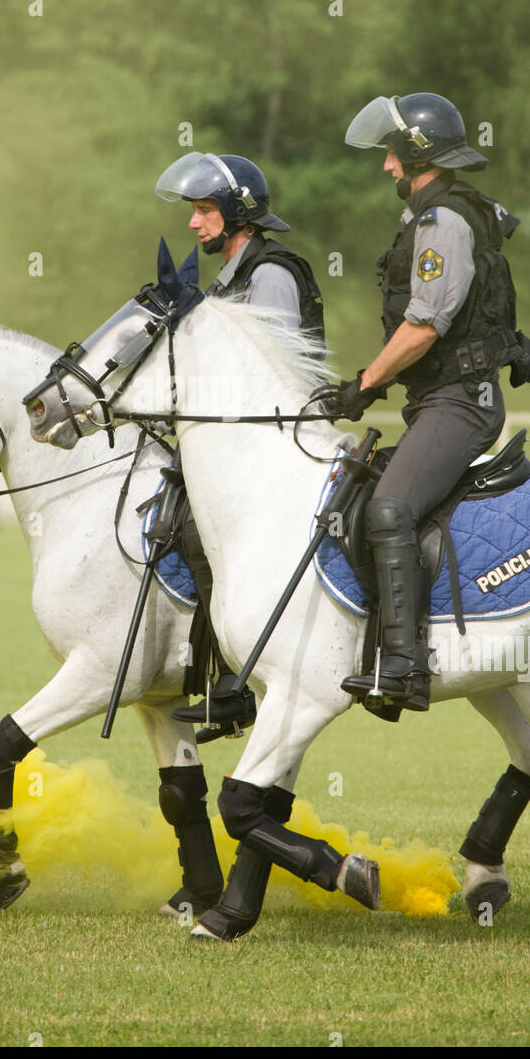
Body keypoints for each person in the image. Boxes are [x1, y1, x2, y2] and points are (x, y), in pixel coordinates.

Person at [329, 93, 530, 715]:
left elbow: (425, 325)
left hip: (460, 403)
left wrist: (366, 383)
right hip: (439, 400)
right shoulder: (431, 217)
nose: (386, 167)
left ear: (416, 153)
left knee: (391, 509)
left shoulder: (443, 222)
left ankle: (403, 667)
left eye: (392, 155)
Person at [154, 151, 326, 736]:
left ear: (237, 215)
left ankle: (236, 682)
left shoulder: (270, 273)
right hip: (242, 442)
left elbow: (269, 376)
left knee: (200, 532)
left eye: (204, 211)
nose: (194, 223)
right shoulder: (230, 275)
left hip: (279, 448)